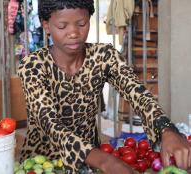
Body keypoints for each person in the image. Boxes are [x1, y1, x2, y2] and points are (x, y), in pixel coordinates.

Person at [17, 0, 191, 173]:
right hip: (42, 164)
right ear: (46, 25)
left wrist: (166, 129)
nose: (73, 33)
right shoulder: (33, 66)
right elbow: (50, 124)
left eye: (81, 24)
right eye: (62, 26)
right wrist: (105, 161)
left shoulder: (103, 56)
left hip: (90, 166)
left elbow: (138, 94)